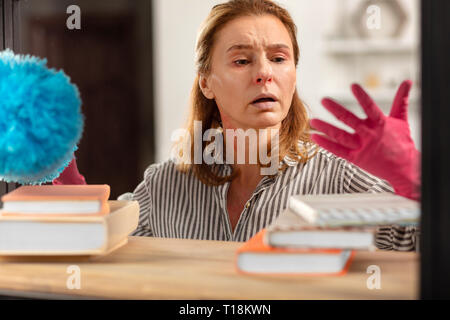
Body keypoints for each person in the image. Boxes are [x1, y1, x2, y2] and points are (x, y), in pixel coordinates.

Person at [54, 0, 420, 251]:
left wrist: (417, 182)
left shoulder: (342, 179)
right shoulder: (164, 185)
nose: (265, 73)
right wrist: (70, 190)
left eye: (279, 58)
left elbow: (422, 253)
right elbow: (105, 244)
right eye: (242, 61)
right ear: (206, 82)